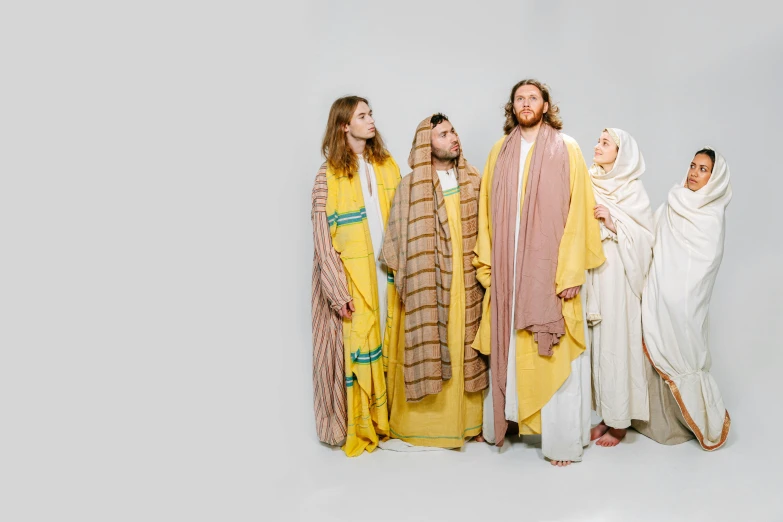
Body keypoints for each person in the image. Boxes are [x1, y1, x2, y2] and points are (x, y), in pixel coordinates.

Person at [472, 79, 605, 466]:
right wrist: (491, 268)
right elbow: (485, 213)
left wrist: (570, 272)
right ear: (512, 107)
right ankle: (510, 421)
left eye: (533, 98)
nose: (525, 103)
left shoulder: (567, 148)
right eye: (519, 98)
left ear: (546, 105)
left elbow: (579, 213)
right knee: (513, 346)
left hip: (550, 271)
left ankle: (561, 441)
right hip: (510, 270)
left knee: (552, 348)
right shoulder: (500, 151)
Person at [381, 113, 488, 448]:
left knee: (465, 343)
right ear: (426, 145)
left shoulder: (472, 178)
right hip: (429, 283)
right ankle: (424, 428)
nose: (452, 138)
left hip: (468, 281)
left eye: (453, 131)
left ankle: (470, 423)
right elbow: (397, 239)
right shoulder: (411, 185)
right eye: (442, 134)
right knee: (431, 340)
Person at [310, 95, 401, 456]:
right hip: (352, 282)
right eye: (362, 115)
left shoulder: (387, 164)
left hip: (386, 275)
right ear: (344, 125)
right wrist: (337, 292)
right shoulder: (327, 175)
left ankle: (389, 421)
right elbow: (321, 240)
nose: (371, 120)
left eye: (371, 113)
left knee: (389, 340)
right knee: (358, 346)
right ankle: (363, 424)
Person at [632, 148, 732, 450]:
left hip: (687, 301)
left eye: (703, 169)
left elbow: (705, 262)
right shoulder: (674, 200)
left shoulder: (711, 216)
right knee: (656, 343)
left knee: (684, 350)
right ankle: (658, 423)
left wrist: (680, 293)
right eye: (692, 165)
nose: (693, 172)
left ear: (714, 179)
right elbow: (650, 233)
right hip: (659, 293)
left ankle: (695, 420)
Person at [584, 128, 655, 447]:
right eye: (598, 141)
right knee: (599, 345)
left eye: (605, 143)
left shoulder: (632, 189)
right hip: (596, 271)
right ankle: (605, 415)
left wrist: (613, 222)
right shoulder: (589, 178)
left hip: (621, 276)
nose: (597, 147)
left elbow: (646, 239)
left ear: (620, 152)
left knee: (617, 343)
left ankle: (620, 422)